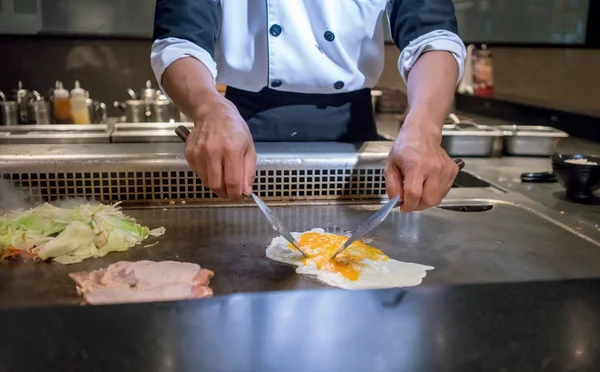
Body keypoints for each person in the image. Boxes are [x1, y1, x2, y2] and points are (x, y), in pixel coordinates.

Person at [151, 0, 466, 212]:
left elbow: (432, 35)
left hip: (353, 134)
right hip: (240, 132)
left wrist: (424, 128)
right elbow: (180, 41)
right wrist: (208, 108)